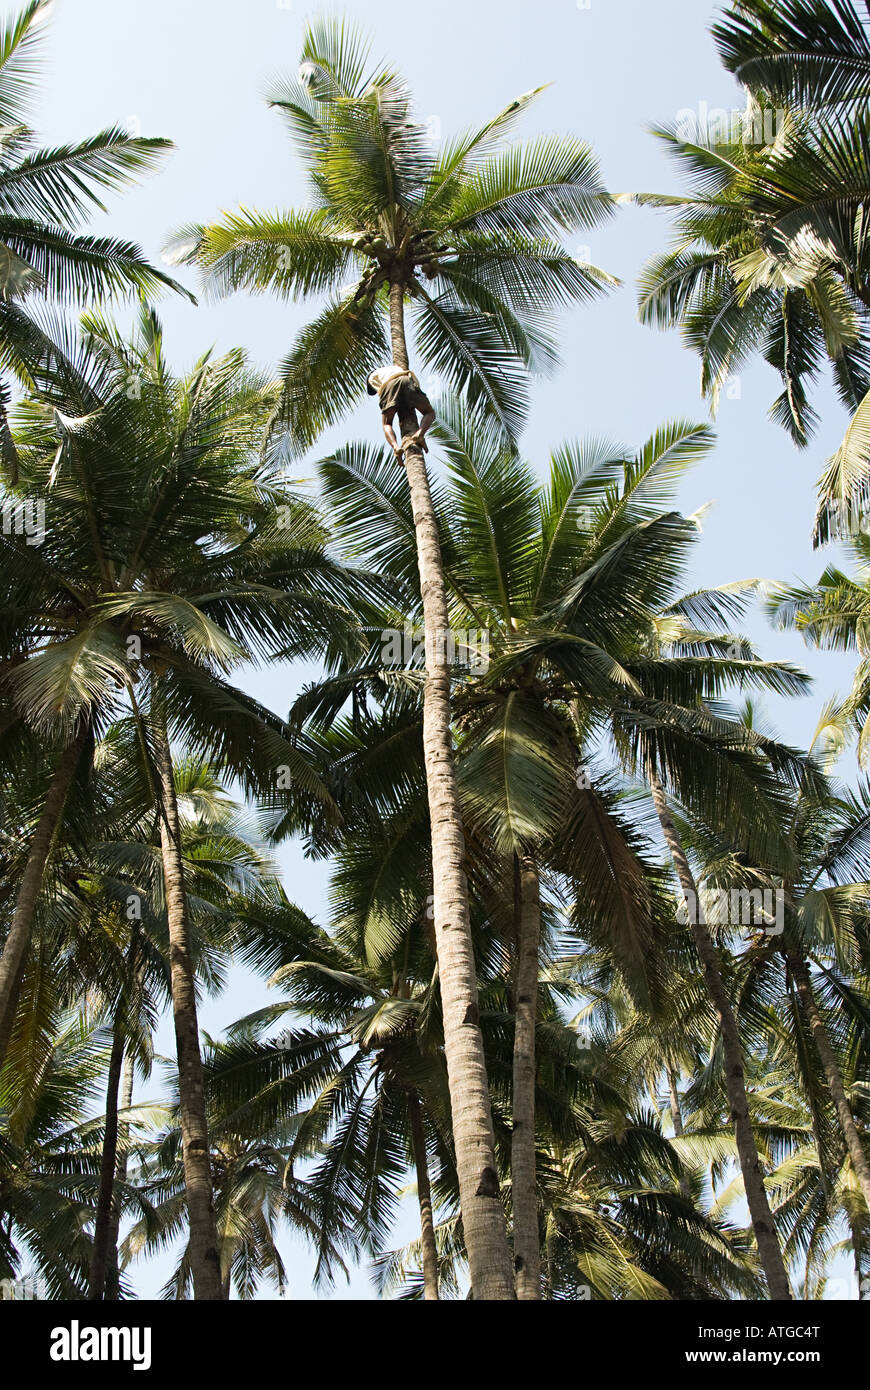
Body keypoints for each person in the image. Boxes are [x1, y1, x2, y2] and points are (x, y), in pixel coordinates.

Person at [367, 364, 435, 463]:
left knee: (387, 424)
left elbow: (381, 391)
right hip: (406, 380)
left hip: (389, 386)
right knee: (429, 412)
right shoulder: (393, 367)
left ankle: (395, 447)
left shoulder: (372, 378)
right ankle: (420, 434)